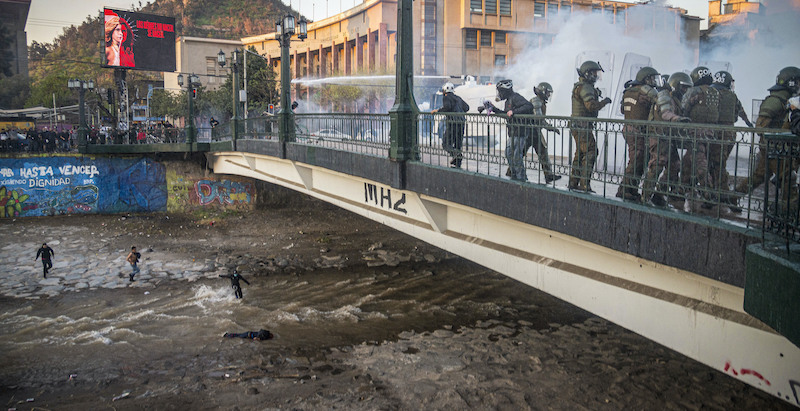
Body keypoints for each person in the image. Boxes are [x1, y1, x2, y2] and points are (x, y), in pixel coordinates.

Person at [734, 66, 800, 197]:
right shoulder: (776, 100)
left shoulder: (788, 100)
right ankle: (788, 213)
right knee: (788, 180)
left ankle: (733, 197)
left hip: (776, 147)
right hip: (776, 148)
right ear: (791, 82)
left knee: (759, 176)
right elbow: (760, 126)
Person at [642, 72, 692, 207]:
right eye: (683, 88)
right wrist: (677, 119)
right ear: (675, 85)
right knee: (657, 165)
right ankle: (645, 196)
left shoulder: (676, 99)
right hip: (659, 136)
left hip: (668, 137)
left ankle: (659, 194)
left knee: (675, 165)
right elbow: (666, 113)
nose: (685, 91)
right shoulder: (664, 95)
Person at [617, 67, 661, 202]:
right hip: (638, 131)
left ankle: (631, 190)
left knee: (639, 160)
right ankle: (624, 190)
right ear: (646, 78)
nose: (654, 81)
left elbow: (622, 109)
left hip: (630, 129)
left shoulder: (629, 91)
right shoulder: (645, 91)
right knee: (636, 160)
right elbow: (658, 101)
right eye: (652, 78)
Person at [710, 70, 752, 212]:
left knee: (716, 164)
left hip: (716, 133)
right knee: (719, 163)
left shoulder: (712, 94)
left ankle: (720, 194)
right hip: (730, 133)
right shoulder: (732, 96)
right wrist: (748, 123)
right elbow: (740, 111)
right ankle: (719, 194)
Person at [569, 61, 612, 192]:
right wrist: (604, 101)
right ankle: (584, 184)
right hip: (582, 126)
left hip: (578, 125)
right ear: (588, 74)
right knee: (591, 152)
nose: (596, 76)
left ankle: (573, 182)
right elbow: (590, 106)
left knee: (581, 153)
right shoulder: (586, 87)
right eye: (594, 73)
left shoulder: (582, 86)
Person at [480, 79, 534, 182]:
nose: (499, 94)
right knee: (509, 153)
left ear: (506, 90)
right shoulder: (508, 101)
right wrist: (493, 109)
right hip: (513, 132)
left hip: (520, 131)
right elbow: (506, 115)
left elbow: (529, 106)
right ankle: (514, 174)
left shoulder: (516, 97)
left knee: (516, 155)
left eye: (500, 91)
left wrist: (514, 111)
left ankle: (521, 177)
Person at [681, 66, 720, 208]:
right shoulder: (715, 92)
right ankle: (679, 190)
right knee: (688, 161)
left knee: (699, 163)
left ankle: (708, 194)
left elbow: (684, 108)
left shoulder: (694, 91)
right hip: (711, 133)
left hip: (695, 133)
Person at [527, 82, 561, 183]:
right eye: (548, 93)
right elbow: (539, 119)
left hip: (533, 130)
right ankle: (548, 175)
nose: (549, 95)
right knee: (542, 152)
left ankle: (548, 175)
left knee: (540, 152)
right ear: (542, 91)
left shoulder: (540, 101)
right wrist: (551, 128)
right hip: (532, 131)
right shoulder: (536, 101)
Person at [432, 82, 469, 168]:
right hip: (461, 122)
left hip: (453, 122)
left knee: (446, 144)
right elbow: (467, 107)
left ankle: (457, 154)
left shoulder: (446, 97)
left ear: (444, 91)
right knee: (457, 143)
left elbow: (447, 107)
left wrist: (437, 111)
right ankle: (457, 162)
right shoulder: (458, 98)